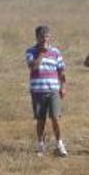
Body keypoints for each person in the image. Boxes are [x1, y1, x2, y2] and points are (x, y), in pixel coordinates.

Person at [26, 25, 67, 157]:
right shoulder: (31, 51)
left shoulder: (56, 52)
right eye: (42, 37)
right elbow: (33, 67)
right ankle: (41, 145)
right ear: (37, 37)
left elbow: (61, 71)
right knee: (40, 120)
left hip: (53, 90)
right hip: (38, 91)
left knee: (55, 118)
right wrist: (42, 54)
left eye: (47, 36)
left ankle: (59, 144)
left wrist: (63, 86)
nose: (45, 39)